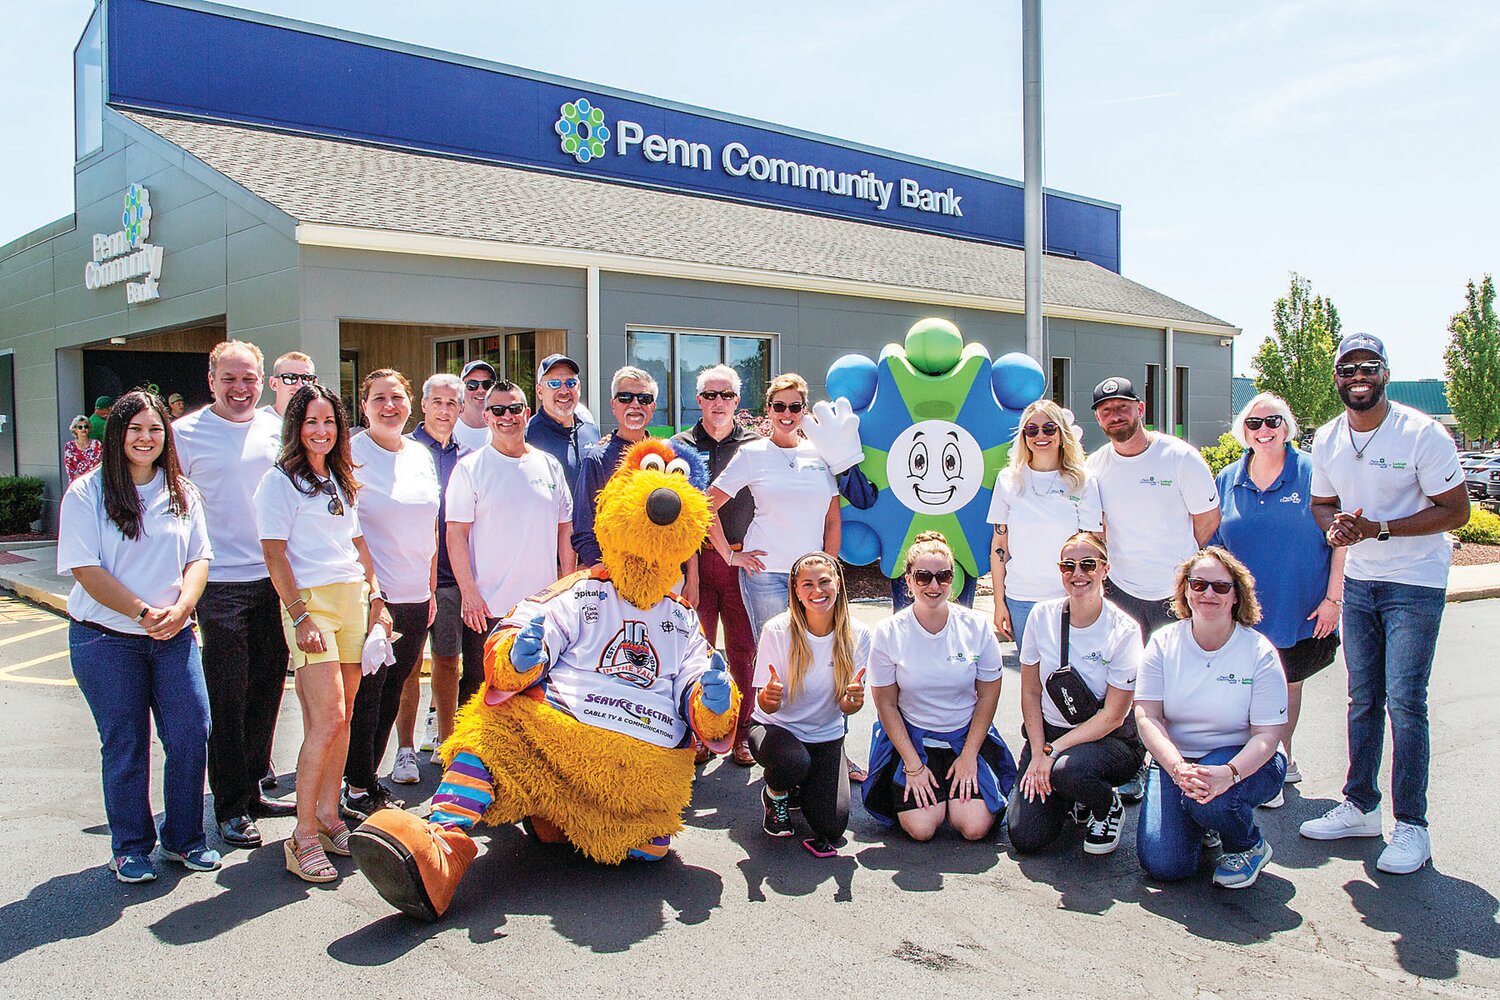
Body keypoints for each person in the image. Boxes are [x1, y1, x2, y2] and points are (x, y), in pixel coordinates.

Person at [1299, 333, 1469, 875]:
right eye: (1348, 368)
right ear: (1337, 378)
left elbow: (1457, 510)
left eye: (1369, 366)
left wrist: (1381, 530)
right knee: (1363, 697)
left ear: (1385, 374)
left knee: (1405, 701)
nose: (1358, 375)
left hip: (1414, 583)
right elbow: (1322, 504)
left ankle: (1412, 826)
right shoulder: (1327, 438)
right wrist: (1337, 531)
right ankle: (1360, 806)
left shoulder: (1422, 433)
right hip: (1361, 583)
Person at [58, 390, 218, 883]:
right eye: (135, 429)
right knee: (126, 743)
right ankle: (129, 846)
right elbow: (85, 568)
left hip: (174, 634)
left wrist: (183, 607)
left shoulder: (181, 491)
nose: (146, 438)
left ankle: (185, 839)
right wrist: (144, 612)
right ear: (117, 435)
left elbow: (199, 558)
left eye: (155, 429)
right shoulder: (87, 492)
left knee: (191, 732)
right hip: (105, 639)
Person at [255, 383, 390, 882]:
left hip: (352, 600)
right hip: (311, 604)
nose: (321, 430)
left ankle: (330, 817)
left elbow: (358, 544)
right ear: (296, 426)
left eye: (329, 421)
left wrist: (377, 598)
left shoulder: (338, 478)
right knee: (327, 719)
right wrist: (298, 615)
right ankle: (302, 835)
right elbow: (274, 554)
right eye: (311, 421)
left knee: (347, 714)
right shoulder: (278, 482)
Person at [173, 341, 293, 850]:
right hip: (219, 582)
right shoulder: (184, 434)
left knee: (267, 687)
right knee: (227, 694)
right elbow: (171, 511)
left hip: (275, 579)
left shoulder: (277, 428)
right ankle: (227, 806)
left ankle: (253, 787)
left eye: (248, 378)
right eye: (230, 379)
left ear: (262, 379)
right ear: (211, 379)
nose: (240, 388)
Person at [1212, 392, 1344, 791]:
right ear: (1243, 433)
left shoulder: (1313, 473)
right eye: (1255, 424)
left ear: (1287, 427)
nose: (1264, 430)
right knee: (1241, 688)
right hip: (1242, 613)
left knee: (1287, 686)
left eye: (1273, 421)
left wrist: (1333, 600)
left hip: (1298, 607)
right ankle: (1246, 760)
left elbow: (1340, 540)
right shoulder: (1227, 479)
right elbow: (1214, 545)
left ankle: (1278, 761)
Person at [1134, 548, 1287, 889]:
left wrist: (1228, 774)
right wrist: (1176, 767)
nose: (1208, 594)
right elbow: (1147, 716)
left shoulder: (1258, 652)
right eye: (1199, 584)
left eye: (1220, 587)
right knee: (1164, 865)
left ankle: (1248, 845)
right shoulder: (1162, 643)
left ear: (1236, 595)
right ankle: (1200, 819)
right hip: (1178, 762)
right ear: (1185, 590)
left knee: (1213, 801)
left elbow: (1267, 735)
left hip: (1243, 759)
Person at [863, 532, 1015, 842]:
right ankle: (929, 791)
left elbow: (988, 695)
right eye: (923, 576)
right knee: (922, 829)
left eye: (943, 576)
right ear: (909, 580)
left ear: (952, 579)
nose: (934, 585)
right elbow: (886, 705)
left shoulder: (977, 626)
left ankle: (956, 791)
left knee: (973, 829)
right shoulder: (889, 632)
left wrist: (971, 755)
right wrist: (914, 766)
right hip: (913, 742)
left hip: (965, 738)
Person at [1009, 532, 1144, 856]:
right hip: (1052, 734)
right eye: (1068, 566)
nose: (1077, 574)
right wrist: (1039, 751)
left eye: (1088, 565)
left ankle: (1106, 806)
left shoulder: (1123, 631)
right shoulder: (1042, 616)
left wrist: (1051, 753)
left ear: (1105, 569)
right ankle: (1071, 796)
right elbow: (1030, 692)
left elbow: (1113, 716)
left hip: (1107, 740)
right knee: (1026, 837)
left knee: (1068, 771)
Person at [447, 379, 575, 711]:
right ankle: (469, 762)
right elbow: (455, 536)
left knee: (536, 694)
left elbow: (565, 532)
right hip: (488, 609)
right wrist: (470, 593)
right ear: (487, 416)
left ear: (527, 413)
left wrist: (565, 589)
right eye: (498, 410)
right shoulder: (470, 469)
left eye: (515, 409)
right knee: (480, 693)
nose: (508, 416)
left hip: (540, 609)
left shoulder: (548, 465)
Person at [345, 369, 440, 806]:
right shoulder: (348, 455)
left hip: (415, 595)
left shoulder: (420, 454)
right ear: (363, 405)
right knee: (366, 696)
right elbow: (345, 533)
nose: (389, 406)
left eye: (397, 397)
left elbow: (429, 528)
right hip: (370, 600)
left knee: (392, 688)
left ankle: (364, 779)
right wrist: (372, 595)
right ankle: (356, 785)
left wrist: (431, 588)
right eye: (379, 398)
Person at [751, 551, 871, 856]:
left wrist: (852, 702)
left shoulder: (859, 633)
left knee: (832, 828)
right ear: (796, 591)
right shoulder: (777, 630)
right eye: (807, 584)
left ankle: (802, 785)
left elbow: (848, 708)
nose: (817, 591)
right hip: (775, 729)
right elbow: (764, 706)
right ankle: (776, 793)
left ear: (839, 584)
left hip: (825, 735)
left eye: (824, 582)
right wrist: (769, 697)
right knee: (793, 762)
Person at [707, 373, 840, 647]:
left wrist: (829, 566)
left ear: (804, 410)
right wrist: (730, 556)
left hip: (812, 576)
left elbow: (833, 519)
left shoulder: (822, 454)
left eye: (795, 406)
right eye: (779, 406)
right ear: (768, 409)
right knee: (775, 653)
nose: (786, 413)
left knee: (815, 649)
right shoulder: (752, 454)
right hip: (765, 575)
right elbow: (707, 504)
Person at [1087, 376, 1221, 639]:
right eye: (1106, 411)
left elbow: (1208, 519)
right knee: (1128, 674)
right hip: (1121, 592)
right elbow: (1096, 529)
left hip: (1176, 592)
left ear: (1140, 409)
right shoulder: (1094, 467)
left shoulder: (1180, 457)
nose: (1115, 416)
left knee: (1176, 673)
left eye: (1122, 407)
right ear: (1098, 419)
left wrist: (1176, 554)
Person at [673, 364, 759, 766]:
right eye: (710, 395)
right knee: (699, 652)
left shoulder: (757, 445)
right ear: (698, 400)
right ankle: (704, 731)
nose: (718, 402)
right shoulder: (681, 447)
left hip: (745, 563)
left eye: (726, 395)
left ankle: (740, 733)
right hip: (697, 565)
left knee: (743, 651)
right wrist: (689, 573)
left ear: (737, 401)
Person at [394, 373, 471, 765]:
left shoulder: (469, 455)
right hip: (406, 578)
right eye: (437, 402)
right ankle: (404, 749)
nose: (444, 410)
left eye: (452, 403)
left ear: (461, 408)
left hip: (451, 579)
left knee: (447, 662)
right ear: (423, 405)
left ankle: (446, 743)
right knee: (406, 667)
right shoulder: (402, 450)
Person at [988, 399, 1103, 650]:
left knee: (1069, 679)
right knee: (1029, 680)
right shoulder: (1008, 480)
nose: (1040, 435)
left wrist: (1093, 595)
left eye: (1049, 428)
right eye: (1032, 430)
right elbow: (999, 544)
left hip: (1070, 596)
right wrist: (999, 602)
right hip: (1020, 598)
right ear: (1024, 436)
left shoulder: (1082, 481)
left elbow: (1094, 545)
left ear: (1062, 434)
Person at [572, 366, 657, 568]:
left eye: (644, 398)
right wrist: (605, 572)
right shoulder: (597, 460)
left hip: (665, 573)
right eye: (625, 397)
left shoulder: (667, 456)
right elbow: (584, 528)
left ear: (653, 407)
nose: (635, 404)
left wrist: (690, 576)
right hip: (613, 575)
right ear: (613, 405)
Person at [526, 353, 600, 506]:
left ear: (578, 387)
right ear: (540, 391)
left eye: (570, 383)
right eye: (555, 384)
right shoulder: (527, 436)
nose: (564, 390)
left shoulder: (591, 431)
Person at [452, 360, 497, 451]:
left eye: (487, 384)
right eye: (472, 385)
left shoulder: (504, 427)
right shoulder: (449, 428)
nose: (480, 390)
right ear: (461, 389)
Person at [262, 351, 317, 420]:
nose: (299, 385)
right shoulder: (256, 423)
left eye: (306, 379)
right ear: (274, 384)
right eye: (291, 378)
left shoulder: (321, 424)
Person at [64, 415, 103, 483]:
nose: (83, 429)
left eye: (86, 426)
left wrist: (88, 476)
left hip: (94, 482)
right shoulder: (69, 446)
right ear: (75, 429)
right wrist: (83, 479)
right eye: (80, 427)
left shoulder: (97, 444)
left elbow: (100, 464)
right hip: (77, 484)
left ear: (89, 429)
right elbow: (70, 468)